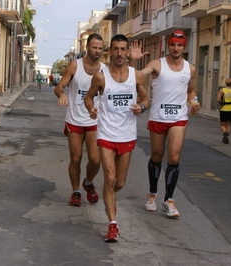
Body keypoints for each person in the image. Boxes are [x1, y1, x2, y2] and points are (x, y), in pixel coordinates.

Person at [85, 34, 148, 242]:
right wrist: (91, 109)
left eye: (123, 49)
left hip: (127, 135)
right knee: (110, 179)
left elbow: (146, 98)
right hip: (106, 134)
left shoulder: (136, 76)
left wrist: (142, 107)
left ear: (127, 52)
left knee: (119, 182)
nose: (119, 53)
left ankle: (108, 195)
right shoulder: (101, 77)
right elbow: (88, 97)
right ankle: (112, 224)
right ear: (109, 52)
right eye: (115, 49)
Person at [130, 30, 199, 218]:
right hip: (158, 117)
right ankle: (152, 194)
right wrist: (134, 62)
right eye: (172, 45)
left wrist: (194, 102)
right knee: (157, 156)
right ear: (168, 45)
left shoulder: (190, 69)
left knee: (174, 158)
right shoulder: (157, 64)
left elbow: (191, 92)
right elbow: (137, 76)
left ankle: (169, 200)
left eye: (179, 45)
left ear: (184, 47)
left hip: (178, 118)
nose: (176, 48)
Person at [54, 33, 105, 208]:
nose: (97, 51)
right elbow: (59, 86)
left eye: (100, 48)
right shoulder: (75, 66)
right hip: (75, 120)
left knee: (95, 159)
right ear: (87, 47)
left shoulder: (105, 70)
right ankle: (76, 191)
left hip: (94, 120)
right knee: (75, 158)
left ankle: (88, 182)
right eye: (94, 47)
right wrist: (61, 93)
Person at [217, 79, 231, 144]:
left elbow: (218, 100)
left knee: (223, 125)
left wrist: (221, 101)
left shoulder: (222, 90)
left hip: (224, 109)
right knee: (229, 124)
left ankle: (225, 132)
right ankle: (227, 138)